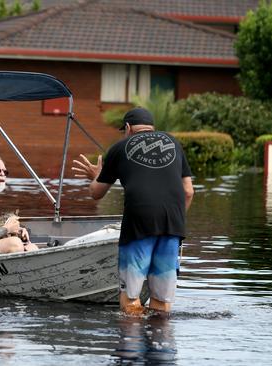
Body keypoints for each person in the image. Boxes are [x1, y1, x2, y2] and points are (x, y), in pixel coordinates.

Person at [71, 107, 194, 315]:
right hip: (173, 224)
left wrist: (97, 174)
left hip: (139, 223)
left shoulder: (120, 147)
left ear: (127, 128)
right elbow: (188, 192)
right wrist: (176, 220)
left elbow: (96, 193)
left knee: (130, 298)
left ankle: (131, 342)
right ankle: (160, 342)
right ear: (152, 127)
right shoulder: (173, 143)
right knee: (162, 302)